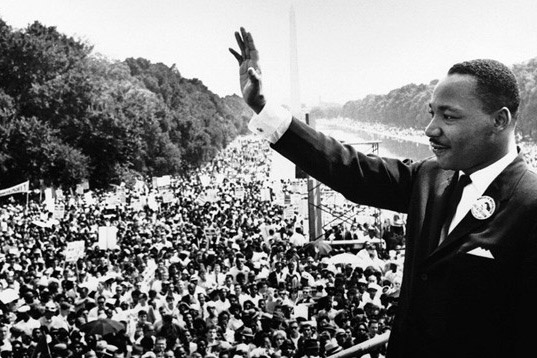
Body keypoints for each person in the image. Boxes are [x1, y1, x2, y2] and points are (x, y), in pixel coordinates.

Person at [230, 27, 537, 358]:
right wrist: (263, 107)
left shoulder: (530, 206)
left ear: (499, 120)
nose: (430, 129)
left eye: (448, 116)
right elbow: (349, 168)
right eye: (431, 112)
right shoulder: (430, 177)